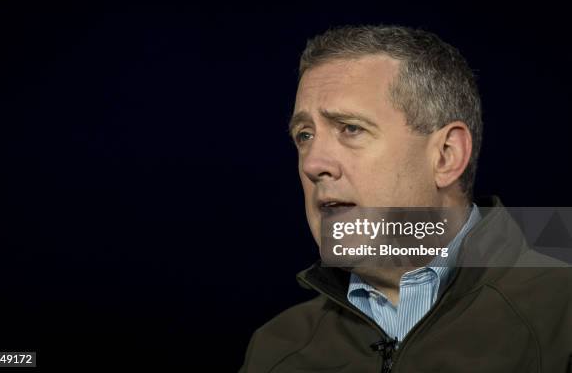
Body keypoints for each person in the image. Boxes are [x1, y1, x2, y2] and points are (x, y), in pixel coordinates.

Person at [239, 25, 572, 372]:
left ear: (446, 155)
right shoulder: (275, 351)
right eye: (304, 135)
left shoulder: (562, 319)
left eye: (351, 128)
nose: (312, 164)